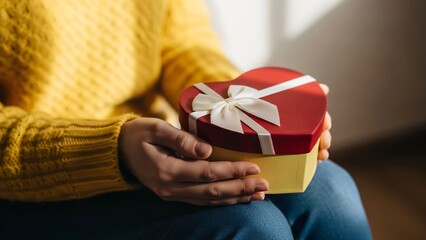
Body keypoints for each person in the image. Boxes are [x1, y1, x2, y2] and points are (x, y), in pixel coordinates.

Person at [0, 0, 372, 239]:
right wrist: (115, 151)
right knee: (251, 229)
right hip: (28, 184)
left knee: (329, 190)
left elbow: (181, 42)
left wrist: (241, 105)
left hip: (152, 145)